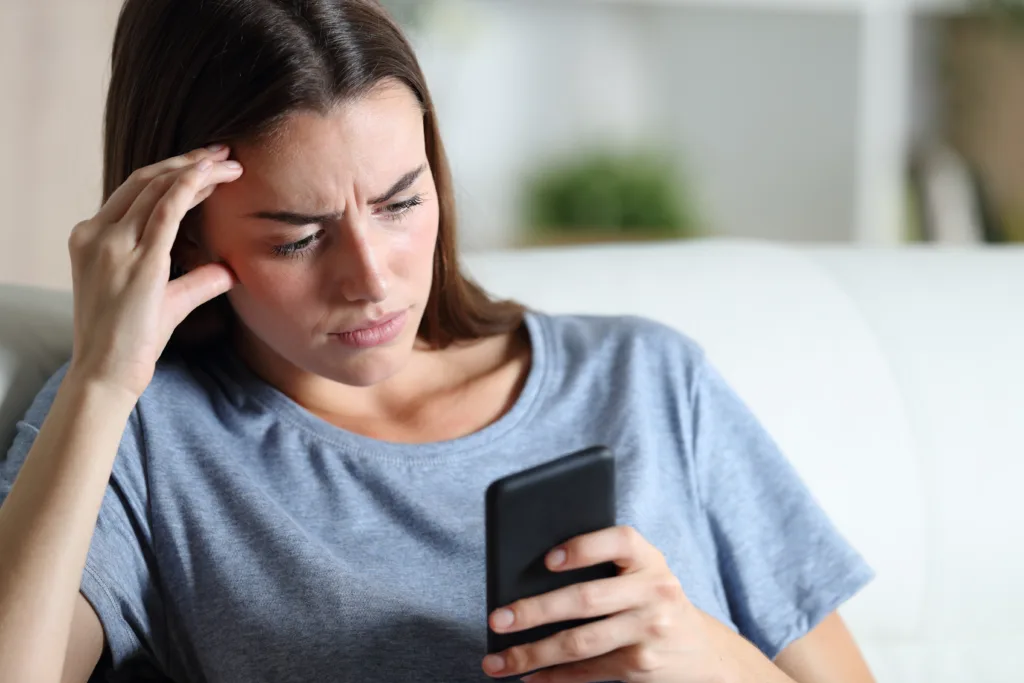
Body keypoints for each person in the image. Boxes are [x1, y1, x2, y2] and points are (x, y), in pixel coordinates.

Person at [0, 1, 877, 681]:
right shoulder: (145, 435)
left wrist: (708, 657)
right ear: (184, 237)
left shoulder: (648, 379)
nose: (373, 278)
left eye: (401, 202)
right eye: (298, 238)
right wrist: (103, 383)